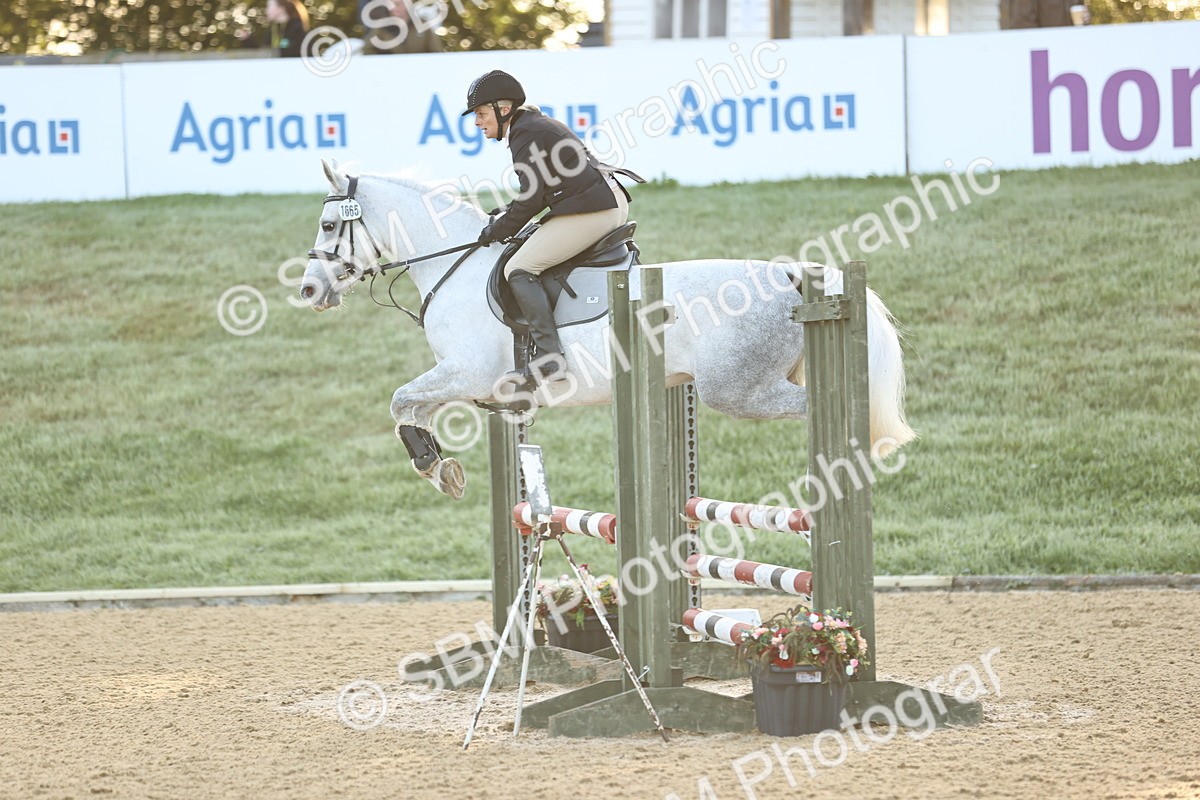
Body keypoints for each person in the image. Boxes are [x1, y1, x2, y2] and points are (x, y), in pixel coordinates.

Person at [465, 70, 638, 388]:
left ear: (503, 110)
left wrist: (498, 230)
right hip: (598, 201)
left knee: (518, 268)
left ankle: (549, 359)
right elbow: (539, 191)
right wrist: (506, 214)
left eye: (481, 113)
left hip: (595, 209)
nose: (477, 122)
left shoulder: (524, 133)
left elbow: (531, 198)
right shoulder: (530, 127)